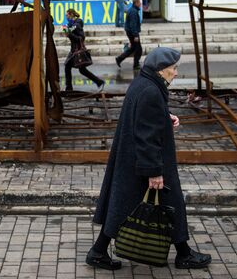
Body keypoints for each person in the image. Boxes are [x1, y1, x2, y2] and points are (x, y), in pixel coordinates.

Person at [87, 47, 212, 271]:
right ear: (161, 70)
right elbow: (146, 135)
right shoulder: (151, 92)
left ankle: (98, 251)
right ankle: (183, 255)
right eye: (173, 69)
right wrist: (154, 171)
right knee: (150, 204)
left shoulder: (143, 83)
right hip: (147, 162)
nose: (176, 73)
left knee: (126, 205)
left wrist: (165, 116)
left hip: (133, 160)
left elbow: (145, 117)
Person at [63, 9, 104, 91]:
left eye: (67, 15)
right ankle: (99, 82)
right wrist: (67, 31)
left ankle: (69, 88)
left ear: (71, 14)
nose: (66, 17)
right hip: (73, 49)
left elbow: (80, 38)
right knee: (82, 70)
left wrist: (69, 34)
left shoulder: (78, 23)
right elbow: (69, 31)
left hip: (77, 50)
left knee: (68, 66)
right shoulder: (71, 24)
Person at [115, 0, 142, 70]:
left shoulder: (133, 10)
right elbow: (133, 25)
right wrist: (135, 35)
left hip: (130, 32)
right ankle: (136, 65)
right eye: (139, 2)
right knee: (138, 49)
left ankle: (119, 59)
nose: (141, 4)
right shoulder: (133, 12)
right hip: (132, 32)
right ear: (136, 3)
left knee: (133, 48)